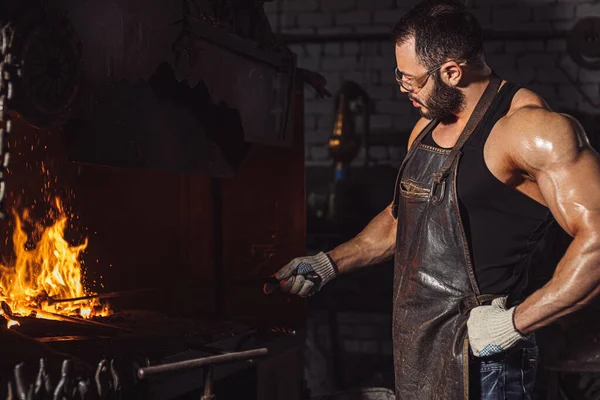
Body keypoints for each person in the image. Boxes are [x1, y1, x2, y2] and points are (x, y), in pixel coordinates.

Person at [265, 0, 600, 399]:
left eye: (411, 79)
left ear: (452, 72)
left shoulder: (531, 130)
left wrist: (513, 324)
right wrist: (329, 262)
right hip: (422, 348)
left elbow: (597, 242)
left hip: (489, 360)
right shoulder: (426, 126)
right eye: (399, 75)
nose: (403, 87)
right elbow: (400, 217)